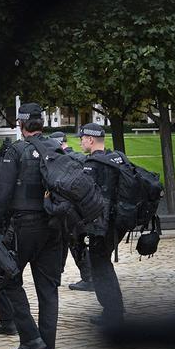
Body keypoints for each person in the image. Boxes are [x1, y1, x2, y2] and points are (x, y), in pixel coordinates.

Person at [0, 103, 64, 349]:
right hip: (55, 226)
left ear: (21, 124)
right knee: (48, 289)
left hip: (25, 225)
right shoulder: (56, 148)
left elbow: (2, 193)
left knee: (6, 278)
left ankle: (30, 337)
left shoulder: (16, 151)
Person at [78, 122, 126, 328]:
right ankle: (114, 309)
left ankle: (113, 312)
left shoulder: (93, 164)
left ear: (90, 139)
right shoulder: (115, 158)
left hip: (102, 224)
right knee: (102, 263)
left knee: (100, 265)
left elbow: (84, 194)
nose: (80, 142)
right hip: (117, 221)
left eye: (82, 138)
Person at [49, 132, 93, 291]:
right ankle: (86, 277)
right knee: (74, 242)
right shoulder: (79, 157)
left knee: (70, 243)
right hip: (81, 209)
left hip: (67, 210)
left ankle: (88, 278)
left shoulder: (61, 160)